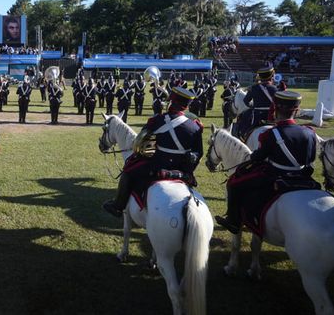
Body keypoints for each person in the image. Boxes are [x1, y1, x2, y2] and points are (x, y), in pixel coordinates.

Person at [216, 91, 318, 234]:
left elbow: (258, 157)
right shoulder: (309, 132)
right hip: (303, 177)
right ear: (297, 111)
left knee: (233, 183)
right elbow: (310, 160)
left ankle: (233, 221)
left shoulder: (270, 134)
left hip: (275, 175)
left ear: (275, 110)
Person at [103, 87, 203, 217]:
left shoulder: (157, 120)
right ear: (186, 106)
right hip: (182, 169)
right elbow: (198, 153)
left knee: (128, 171)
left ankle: (118, 206)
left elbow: (142, 143)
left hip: (158, 165)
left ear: (172, 101)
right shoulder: (195, 126)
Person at [237, 66, 278, 139]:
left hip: (257, 116)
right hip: (272, 117)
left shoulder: (254, 88)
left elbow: (246, 101)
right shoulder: (275, 88)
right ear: (271, 76)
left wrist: (253, 106)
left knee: (245, 129)